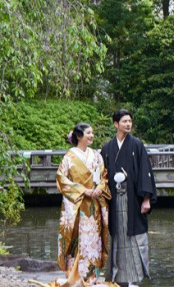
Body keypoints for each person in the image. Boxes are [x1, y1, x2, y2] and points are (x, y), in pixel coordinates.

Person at [30, 123, 118, 287]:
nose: (91, 136)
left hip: (94, 206)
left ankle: (91, 278)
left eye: (92, 133)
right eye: (88, 133)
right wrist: (83, 191)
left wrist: (99, 188)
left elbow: (104, 176)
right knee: (77, 240)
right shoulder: (69, 157)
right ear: (79, 136)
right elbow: (61, 180)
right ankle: (75, 277)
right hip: (77, 205)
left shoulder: (96, 155)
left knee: (93, 241)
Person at [100, 109, 157, 287]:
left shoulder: (137, 145)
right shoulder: (107, 148)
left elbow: (145, 172)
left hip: (133, 199)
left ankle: (133, 278)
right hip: (114, 199)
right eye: (124, 121)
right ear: (116, 124)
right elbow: (101, 175)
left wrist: (146, 198)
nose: (128, 124)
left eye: (130, 121)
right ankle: (118, 278)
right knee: (117, 236)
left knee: (134, 237)